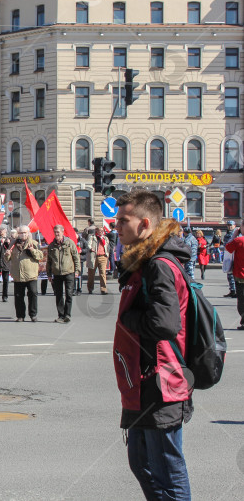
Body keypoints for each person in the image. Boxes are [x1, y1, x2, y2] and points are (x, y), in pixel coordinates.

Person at [113, 190, 192, 500]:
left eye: (123, 221)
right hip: (144, 383)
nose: (116, 226)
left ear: (144, 224)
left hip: (162, 382)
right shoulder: (143, 262)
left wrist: (129, 319)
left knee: (165, 470)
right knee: (141, 463)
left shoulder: (158, 264)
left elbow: (165, 324)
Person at [5, 225, 43, 323]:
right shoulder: (13, 244)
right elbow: (7, 259)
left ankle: (33, 315)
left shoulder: (33, 243)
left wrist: (32, 251)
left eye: (25, 233)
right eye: (21, 233)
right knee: (18, 296)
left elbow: (40, 256)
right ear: (18, 234)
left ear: (28, 233)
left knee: (33, 294)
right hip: (18, 275)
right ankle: (20, 316)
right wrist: (7, 255)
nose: (23, 235)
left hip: (31, 274)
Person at [46, 224, 81, 323]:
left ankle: (67, 315)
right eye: (55, 232)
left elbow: (76, 257)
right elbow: (49, 261)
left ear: (62, 232)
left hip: (69, 272)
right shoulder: (52, 245)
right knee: (58, 295)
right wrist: (48, 274)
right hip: (57, 273)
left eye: (58, 232)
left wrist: (77, 270)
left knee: (69, 294)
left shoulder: (69, 243)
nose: (56, 234)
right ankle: (60, 315)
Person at [225, 220, 244, 330]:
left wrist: (234, 235)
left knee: (241, 299)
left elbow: (228, 247)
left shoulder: (239, 240)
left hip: (240, 275)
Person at [223, 221, 237, 298]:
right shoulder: (227, 234)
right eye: (228, 225)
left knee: (233, 274)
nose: (229, 226)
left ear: (234, 225)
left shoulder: (236, 234)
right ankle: (232, 290)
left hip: (234, 256)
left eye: (231, 225)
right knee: (229, 274)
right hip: (228, 255)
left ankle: (235, 291)